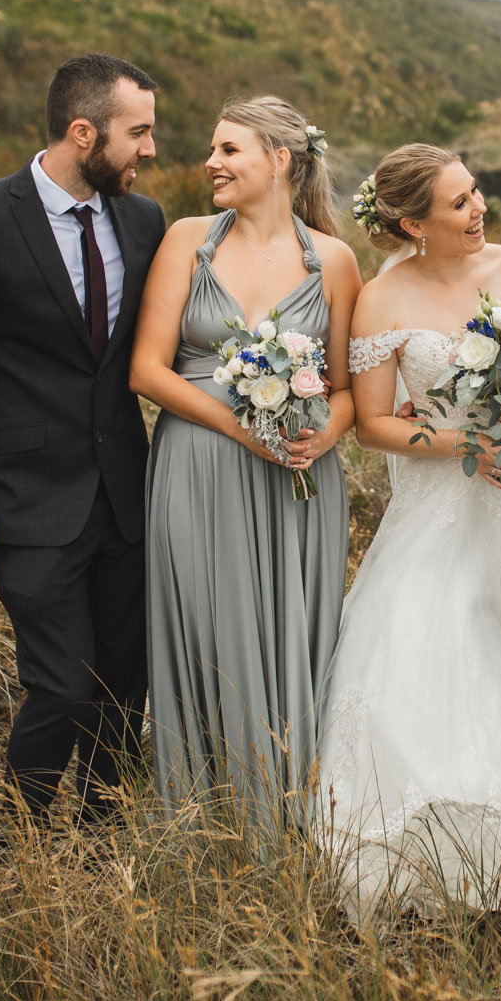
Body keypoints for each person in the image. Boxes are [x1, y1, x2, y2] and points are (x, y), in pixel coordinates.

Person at [314, 144, 501, 922]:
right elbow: (376, 424)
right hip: (438, 505)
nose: (479, 208)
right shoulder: (384, 300)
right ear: (413, 221)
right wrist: (463, 446)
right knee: (436, 633)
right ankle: (441, 826)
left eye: (476, 191)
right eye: (459, 203)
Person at [0, 53, 164, 829]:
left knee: (123, 679)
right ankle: (17, 840)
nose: (150, 150)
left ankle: (100, 825)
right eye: (138, 132)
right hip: (27, 501)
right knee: (60, 684)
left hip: (126, 492)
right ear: (82, 132)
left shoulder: (144, 220)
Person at [130, 95, 361, 838]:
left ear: (280, 160)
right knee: (203, 623)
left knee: (290, 627)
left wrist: (323, 438)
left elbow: (348, 390)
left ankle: (292, 810)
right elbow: (147, 369)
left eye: (230, 149)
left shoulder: (332, 259)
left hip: (297, 476)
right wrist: (238, 426)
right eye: (214, 149)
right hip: (197, 467)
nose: (212, 162)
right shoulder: (186, 241)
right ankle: (204, 817)